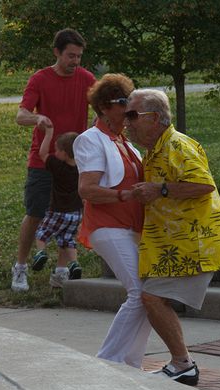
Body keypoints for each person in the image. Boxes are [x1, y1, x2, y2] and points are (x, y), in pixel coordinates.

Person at [128, 89, 220, 386]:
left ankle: (183, 364)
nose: (127, 122)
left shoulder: (177, 145)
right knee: (151, 297)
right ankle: (180, 363)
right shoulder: (155, 150)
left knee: (152, 298)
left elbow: (203, 185)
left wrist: (159, 189)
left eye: (133, 115)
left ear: (156, 118)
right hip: (174, 245)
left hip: (194, 244)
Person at [72, 73, 151, 369]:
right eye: (123, 104)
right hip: (108, 227)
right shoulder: (90, 140)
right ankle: (107, 362)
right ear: (105, 107)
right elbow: (87, 190)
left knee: (150, 296)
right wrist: (124, 195)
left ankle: (131, 363)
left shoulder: (126, 142)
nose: (130, 111)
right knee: (140, 292)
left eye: (131, 105)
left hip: (132, 229)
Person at [11, 28, 96, 292]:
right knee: (35, 214)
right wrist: (38, 118)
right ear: (57, 52)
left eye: (79, 56)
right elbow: (20, 115)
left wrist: (97, 123)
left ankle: (60, 272)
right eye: (70, 56)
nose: (75, 61)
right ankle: (20, 268)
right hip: (43, 161)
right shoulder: (40, 79)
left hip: (75, 163)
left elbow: (102, 107)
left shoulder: (86, 79)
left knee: (68, 216)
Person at [31, 127, 83, 288]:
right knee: (67, 240)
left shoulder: (57, 165)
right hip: (76, 214)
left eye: (58, 149)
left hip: (57, 212)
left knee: (42, 233)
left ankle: (40, 253)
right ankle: (74, 264)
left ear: (65, 153)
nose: (55, 152)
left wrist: (47, 134)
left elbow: (42, 154)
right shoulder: (82, 168)